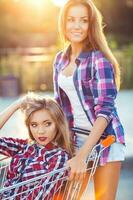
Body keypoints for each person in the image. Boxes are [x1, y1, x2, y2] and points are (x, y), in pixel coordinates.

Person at [53, 0, 125, 199]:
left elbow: (106, 110)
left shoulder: (99, 59)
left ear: (91, 24)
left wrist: (83, 155)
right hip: (75, 140)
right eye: (71, 20)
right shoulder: (60, 59)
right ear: (63, 23)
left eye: (83, 20)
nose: (77, 26)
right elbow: (59, 105)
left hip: (105, 140)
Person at [0, 93, 73, 199]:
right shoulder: (25, 146)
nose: (40, 131)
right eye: (34, 125)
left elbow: (41, 196)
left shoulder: (59, 157)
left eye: (47, 124)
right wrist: (16, 105)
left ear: (58, 124)